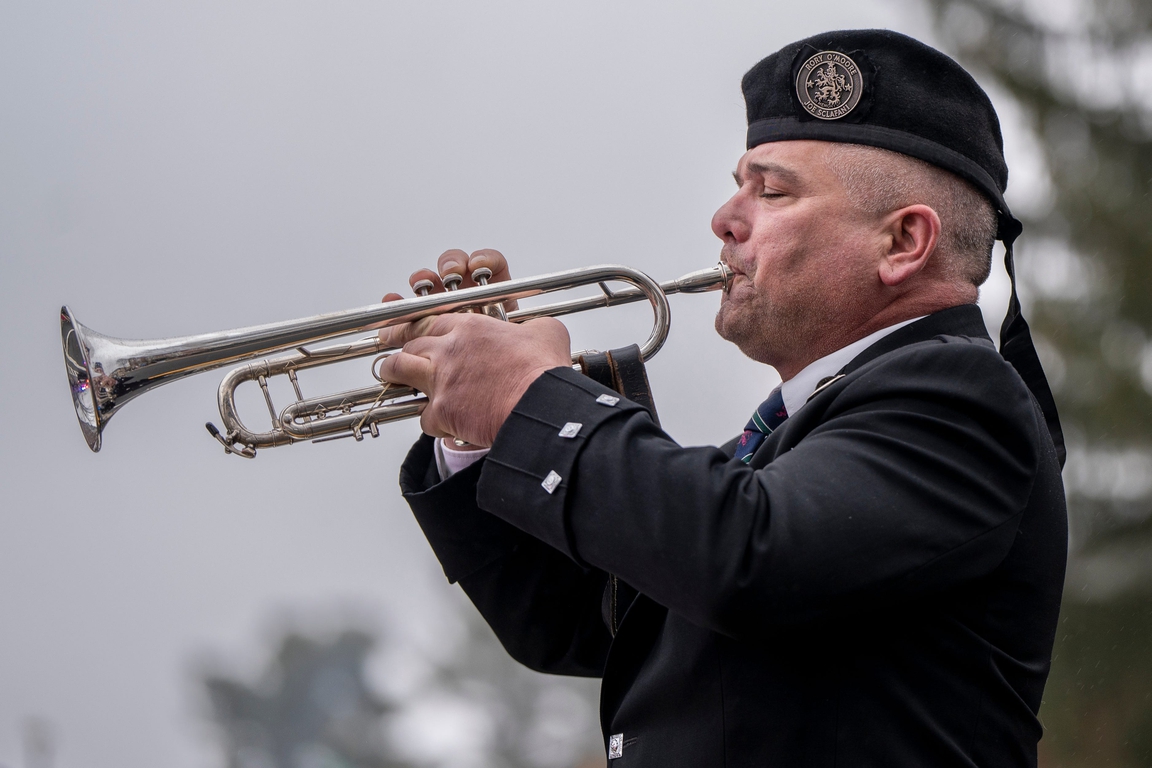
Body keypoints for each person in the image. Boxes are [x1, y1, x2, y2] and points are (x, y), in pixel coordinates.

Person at [378, 29, 1069, 767]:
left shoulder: (963, 400)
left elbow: (747, 553)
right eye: (739, 184)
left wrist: (527, 395)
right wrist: (480, 430)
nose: (725, 219)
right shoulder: (798, 440)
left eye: (771, 191)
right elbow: (577, 621)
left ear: (902, 242)